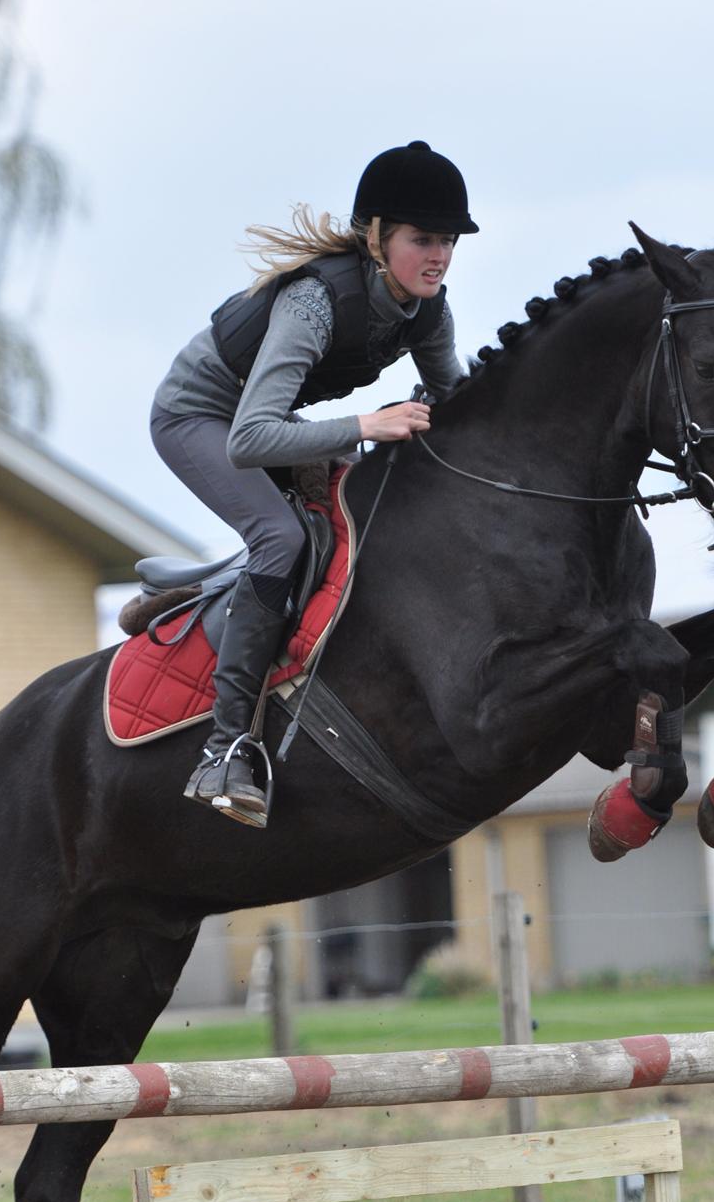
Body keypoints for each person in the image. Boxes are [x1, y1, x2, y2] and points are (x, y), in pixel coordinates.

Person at [150, 140, 478, 829]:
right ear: (377, 238)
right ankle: (224, 748)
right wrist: (367, 422)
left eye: (448, 240)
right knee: (278, 536)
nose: (440, 255)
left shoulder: (428, 310)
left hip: (263, 423)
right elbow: (248, 440)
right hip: (199, 420)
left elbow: (458, 408)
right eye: (423, 239)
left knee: (358, 513)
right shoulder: (313, 302)